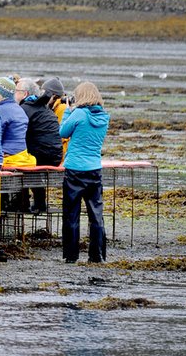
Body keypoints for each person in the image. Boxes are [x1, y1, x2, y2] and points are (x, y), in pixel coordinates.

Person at [59, 81, 109, 264]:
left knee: (71, 214)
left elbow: (63, 132)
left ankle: (71, 255)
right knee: (96, 215)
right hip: (95, 169)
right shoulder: (104, 117)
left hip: (75, 170)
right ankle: (97, 255)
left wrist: (66, 110)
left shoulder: (78, 113)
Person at [18, 77, 63, 213]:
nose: (14, 94)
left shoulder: (25, 109)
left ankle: (22, 203)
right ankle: (39, 203)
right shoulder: (44, 108)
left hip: (42, 156)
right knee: (31, 158)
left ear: (25, 94)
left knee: (22, 162)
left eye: (16, 91)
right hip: (56, 154)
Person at [0, 77, 36, 169]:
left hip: (8, 156)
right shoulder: (19, 109)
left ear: (1, 93)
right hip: (22, 154)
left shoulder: (1, 110)